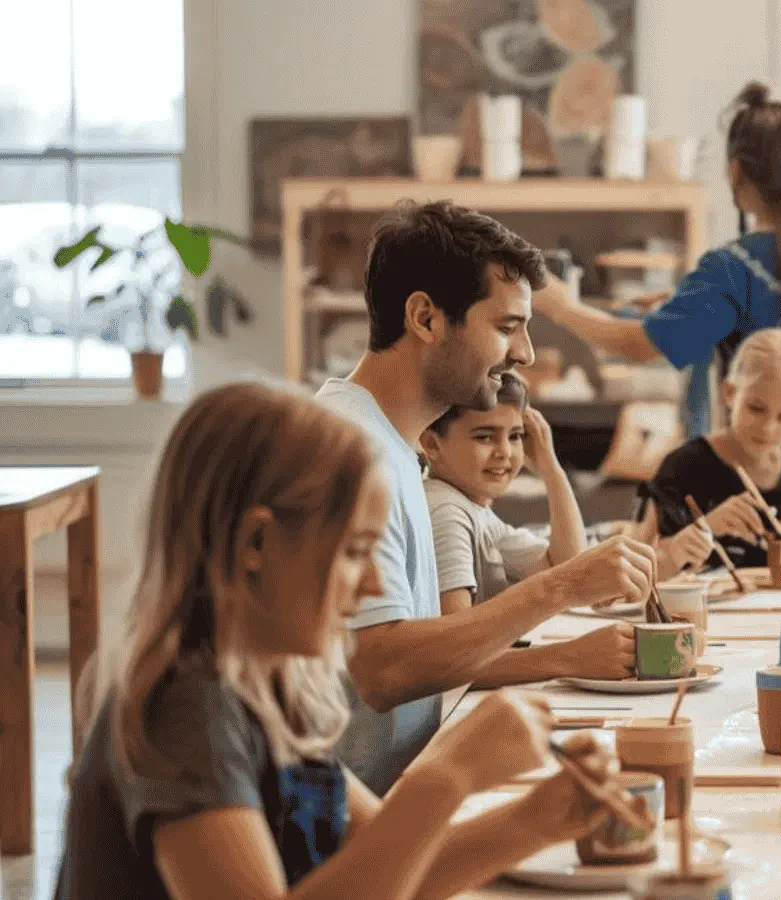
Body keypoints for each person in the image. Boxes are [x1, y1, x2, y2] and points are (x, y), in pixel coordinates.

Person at [55, 382, 634, 900]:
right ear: (257, 542)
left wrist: (538, 818)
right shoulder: (184, 707)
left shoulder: (273, 685)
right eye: (356, 551)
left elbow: (394, 873)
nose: (378, 584)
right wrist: (446, 778)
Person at [318, 200, 657, 793]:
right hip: (348, 830)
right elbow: (382, 667)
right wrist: (564, 586)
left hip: (395, 793)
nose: (524, 353)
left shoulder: (392, 443)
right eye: (506, 327)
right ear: (425, 318)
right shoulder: (350, 452)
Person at [530, 81, 781, 567]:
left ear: (736, 173)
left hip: (777, 501)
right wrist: (692, 307)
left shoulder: (731, 270)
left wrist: (561, 307)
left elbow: (641, 344)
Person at [636, 327, 781, 571]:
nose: (768, 428)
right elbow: (636, 572)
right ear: (729, 393)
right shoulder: (683, 467)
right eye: (756, 409)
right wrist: (698, 534)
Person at [422, 373, 592, 614]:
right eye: (484, 437)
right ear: (431, 444)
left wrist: (551, 468)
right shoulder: (447, 511)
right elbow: (455, 637)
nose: (504, 451)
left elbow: (571, 571)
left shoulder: (473, 508)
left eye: (515, 436)